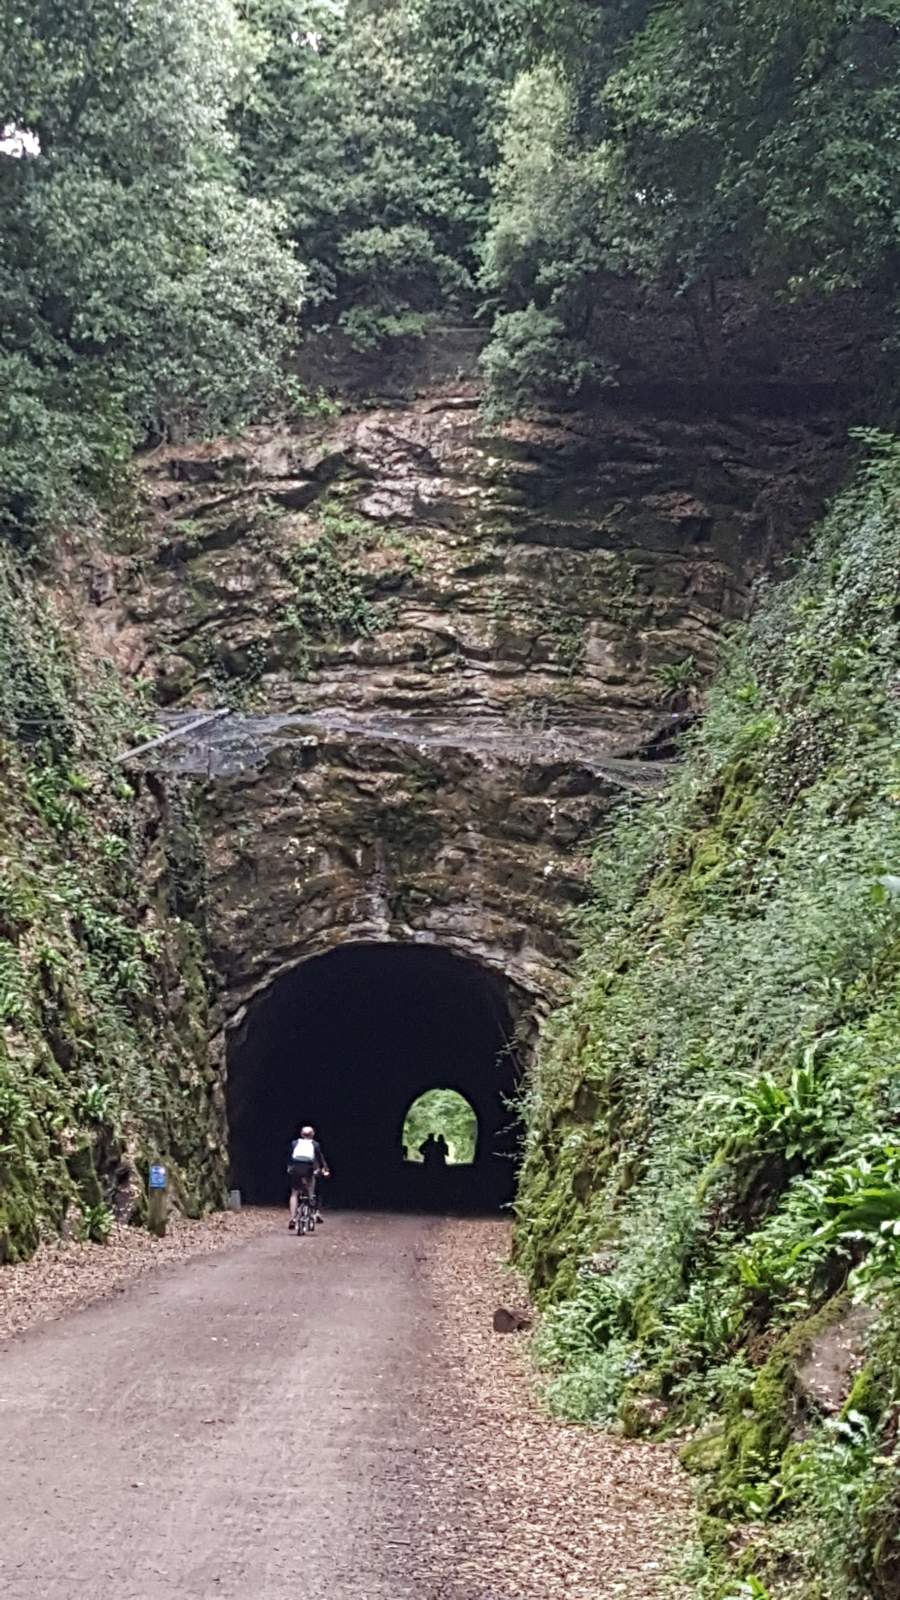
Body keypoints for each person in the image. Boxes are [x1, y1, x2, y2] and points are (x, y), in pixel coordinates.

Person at [287, 1124, 330, 1230]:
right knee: (311, 1189)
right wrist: (325, 1169)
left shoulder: (295, 1143)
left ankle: (293, 1218)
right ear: (313, 1134)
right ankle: (313, 1213)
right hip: (308, 1169)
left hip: (296, 1169)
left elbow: (290, 1157)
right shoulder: (315, 1144)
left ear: (301, 1134)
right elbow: (320, 1158)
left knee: (294, 1193)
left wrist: (289, 1168)